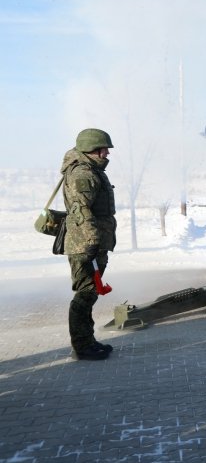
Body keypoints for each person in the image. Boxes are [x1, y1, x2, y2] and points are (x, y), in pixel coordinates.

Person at [61, 128, 117, 361]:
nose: (107, 153)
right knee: (85, 295)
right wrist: (92, 241)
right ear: (91, 149)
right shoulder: (83, 173)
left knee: (90, 294)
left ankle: (88, 341)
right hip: (85, 244)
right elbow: (81, 210)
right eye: (103, 149)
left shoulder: (92, 170)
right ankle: (82, 346)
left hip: (91, 242)